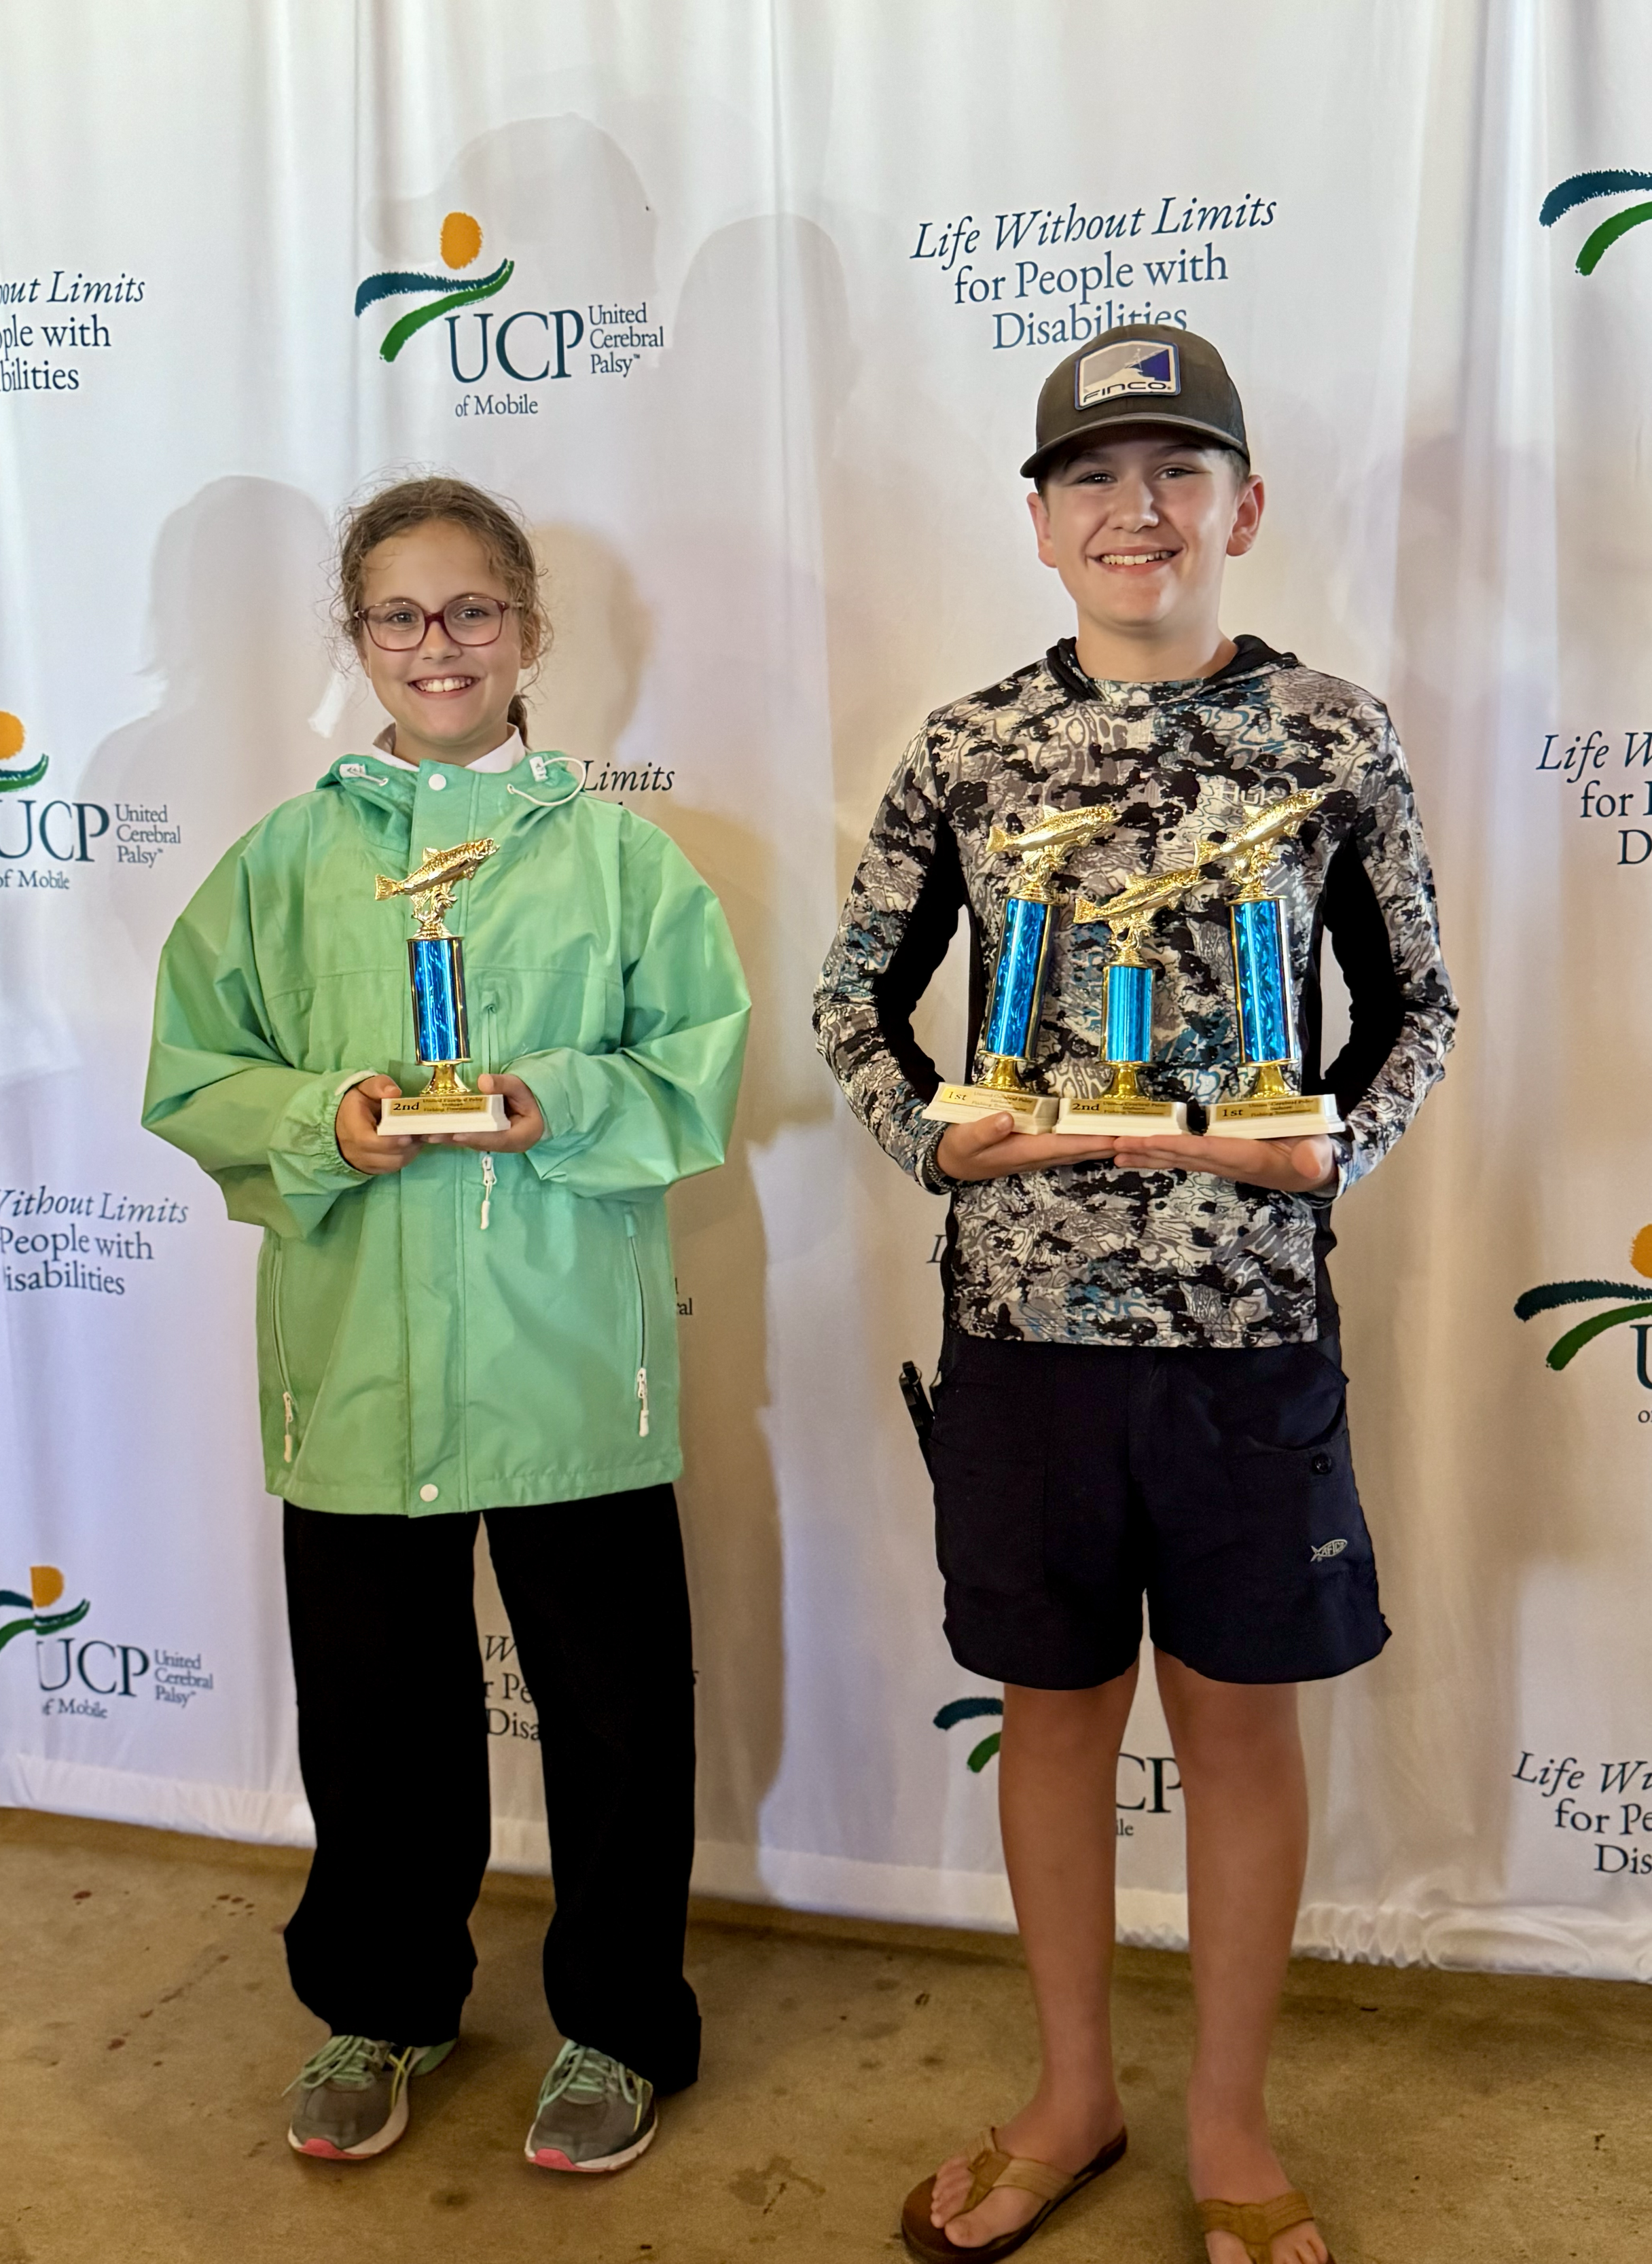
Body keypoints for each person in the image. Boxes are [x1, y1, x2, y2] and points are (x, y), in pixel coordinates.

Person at [815, 327, 1456, 2264]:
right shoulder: (965, 747)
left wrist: (1335, 1138)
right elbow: (855, 1001)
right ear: (1036, 521)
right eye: (1093, 476)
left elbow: (1414, 1004)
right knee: (1054, 1709)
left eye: (1177, 472)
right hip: (1024, 1336)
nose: (1136, 509)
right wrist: (933, 1136)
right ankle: (1072, 2090)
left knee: (1241, 1726)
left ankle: (1230, 2120)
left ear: (1241, 506)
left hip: (1245, 1334)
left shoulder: (1332, 737)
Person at [143, 476, 749, 2172]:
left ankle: (618, 2026)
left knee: (616, 1720)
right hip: (355, 1365)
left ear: (530, 632)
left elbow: (693, 1068)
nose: (438, 643)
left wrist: (548, 1097)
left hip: (569, 1362)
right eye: (400, 615)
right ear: (355, 642)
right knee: (372, 1712)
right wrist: (323, 1118)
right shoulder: (287, 858)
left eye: (471, 610)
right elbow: (196, 1068)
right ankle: (384, 2001)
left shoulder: (623, 857)